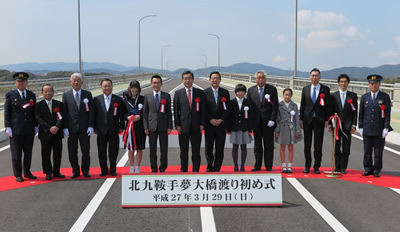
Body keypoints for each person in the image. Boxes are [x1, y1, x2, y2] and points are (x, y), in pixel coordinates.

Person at [4, 72, 38, 182]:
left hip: (28, 129)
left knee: (28, 152)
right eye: (19, 81)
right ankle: (18, 174)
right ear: (15, 82)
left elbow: (34, 112)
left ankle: (27, 172)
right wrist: (8, 126)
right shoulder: (10, 94)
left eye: (23, 81)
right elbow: (7, 111)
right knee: (16, 153)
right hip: (16, 129)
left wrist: (35, 125)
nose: (21, 83)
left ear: (27, 82)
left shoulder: (31, 95)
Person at [358, 74, 392, 178]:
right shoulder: (365, 97)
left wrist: (386, 127)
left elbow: (387, 113)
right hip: (367, 128)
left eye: (376, 83)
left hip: (379, 129)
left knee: (378, 152)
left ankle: (377, 169)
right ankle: (368, 169)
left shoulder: (385, 97)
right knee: (367, 151)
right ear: (368, 85)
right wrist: (361, 126)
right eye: (372, 83)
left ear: (379, 84)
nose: (374, 85)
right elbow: (361, 113)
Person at [62, 73, 94, 178]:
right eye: (74, 80)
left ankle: (85, 170)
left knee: (85, 151)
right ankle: (75, 170)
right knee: (72, 151)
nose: (76, 82)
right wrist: (65, 127)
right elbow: (65, 112)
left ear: (82, 82)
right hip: (71, 128)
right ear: (71, 82)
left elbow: (91, 112)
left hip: (84, 128)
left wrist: (90, 125)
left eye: (78, 80)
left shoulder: (88, 94)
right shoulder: (66, 95)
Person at [300, 68, 331, 174]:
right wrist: (300, 119)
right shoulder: (305, 89)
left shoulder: (325, 89)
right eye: (312, 75)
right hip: (307, 120)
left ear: (320, 77)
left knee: (318, 145)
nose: (314, 77)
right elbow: (303, 105)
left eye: (316, 75)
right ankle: (307, 165)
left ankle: (317, 166)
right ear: (310, 77)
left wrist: (327, 119)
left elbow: (328, 106)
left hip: (319, 120)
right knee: (307, 145)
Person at [174, 70, 206, 172]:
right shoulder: (178, 93)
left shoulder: (200, 93)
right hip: (183, 126)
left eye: (189, 78)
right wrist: (177, 125)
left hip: (197, 126)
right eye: (185, 79)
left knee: (196, 150)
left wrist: (202, 123)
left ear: (193, 79)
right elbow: (175, 110)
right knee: (184, 150)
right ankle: (184, 169)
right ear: (182, 80)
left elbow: (203, 110)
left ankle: (196, 169)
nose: (187, 80)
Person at [247, 70, 278, 171]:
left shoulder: (272, 89)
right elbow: (249, 107)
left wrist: (272, 119)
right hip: (256, 123)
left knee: (269, 145)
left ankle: (269, 166)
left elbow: (275, 106)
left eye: (263, 78)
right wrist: (250, 123)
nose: (261, 80)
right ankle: (257, 165)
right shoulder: (251, 90)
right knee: (257, 145)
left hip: (268, 122)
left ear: (266, 79)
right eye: (259, 78)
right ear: (255, 79)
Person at [93, 79, 124, 176]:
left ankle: (113, 170)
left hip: (114, 129)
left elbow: (121, 115)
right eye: (105, 86)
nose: (107, 88)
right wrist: (94, 127)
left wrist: (122, 126)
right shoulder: (96, 99)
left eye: (109, 86)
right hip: (101, 131)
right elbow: (94, 115)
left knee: (113, 151)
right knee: (101, 152)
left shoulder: (118, 99)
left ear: (112, 86)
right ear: (101, 87)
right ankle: (104, 170)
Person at [35, 84, 65, 180]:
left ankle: (56, 171)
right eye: (45, 91)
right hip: (45, 133)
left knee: (57, 153)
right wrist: (50, 128)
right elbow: (38, 119)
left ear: (53, 92)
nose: (48, 93)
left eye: (50, 91)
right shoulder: (38, 105)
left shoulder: (59, 104)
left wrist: (56, 127)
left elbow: (62, 117)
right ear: (42, 93)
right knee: (46, 154)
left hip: (57, 133)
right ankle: (48, 172)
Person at [143, 75, 172, 173]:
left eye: (158, 83)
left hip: (163, 126)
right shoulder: (147, 96)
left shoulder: (166, 96)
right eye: (154, 83)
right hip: (151, 127)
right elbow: (145, 113)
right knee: (152, 149)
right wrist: (146, 127)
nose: (156, 85)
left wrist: (169, 126)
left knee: (164, 149)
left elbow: (169, 112)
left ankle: (163, 167)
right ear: (151, 84)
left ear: (161, 84)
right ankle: (154, 168)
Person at [329, 74, 358, 174]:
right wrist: (330, 125)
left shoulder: (352, 96)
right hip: (336, 125)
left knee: (346, 147)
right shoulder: (333, 96)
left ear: (348, 83)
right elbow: (330, 111)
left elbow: (355, 112)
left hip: (348, 125)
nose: (343, 83)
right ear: (338, 83)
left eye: (345, 81)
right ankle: (337, 166)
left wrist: (354, 125)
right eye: (341, 81)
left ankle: (343, 167)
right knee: (336, 147)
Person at [203, 71, 230, 172]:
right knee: (208, 148)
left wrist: (221, 119)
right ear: (209, 80)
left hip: (221, 125)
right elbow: (203, 109)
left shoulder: (225, 92)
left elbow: (227, 109)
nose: (215, 80)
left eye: (217, 78)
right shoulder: (205, 93)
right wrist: (210, 119)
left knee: (219, 148)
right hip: (209, 125)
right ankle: (209, 166)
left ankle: (217, 167)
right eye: (213, 78)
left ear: (220, 80)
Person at [275, 88, 302, 173]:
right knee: (282, 147)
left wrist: (298, 131)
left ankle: (290, 165)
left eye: (289, 95)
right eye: (286, 95)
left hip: (291, 128)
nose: (287, 96)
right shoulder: (279, 105)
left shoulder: (294, 105)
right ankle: (283, 165)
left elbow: (297, 119)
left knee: (291, 147)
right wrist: (277, 130)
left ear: (291, 95)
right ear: (283, 95)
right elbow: (277, 119)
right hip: (282, 128)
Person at [227, 84, 252, 172]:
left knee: (244, 147)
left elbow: (251, 116)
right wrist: (228, 128)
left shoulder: (248, 102)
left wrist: (250, 129)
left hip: (245, 128)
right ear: (235, 92)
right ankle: (235, 165)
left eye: (242, 91)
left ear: (245, 92)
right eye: (238, 91)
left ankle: (242, 165)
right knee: (235, 147)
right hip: (235, 128)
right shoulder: (231, 102)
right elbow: (229, 116)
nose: (240, 93)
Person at [122, 80, 146, 173]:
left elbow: (146, 112)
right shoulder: (125, 100)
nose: (134, 90)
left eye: (136, 88)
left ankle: (138, 166)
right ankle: (131, 166)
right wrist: (127, 117)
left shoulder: (143, 99)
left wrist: (140, 117)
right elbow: (122, 113)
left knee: (139, 147)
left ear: (139, 89)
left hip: (140, 126)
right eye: (132, 88)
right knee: (130, 147)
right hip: (129, 126)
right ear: (129, 88)